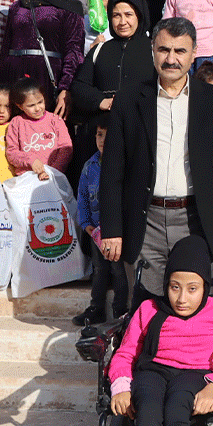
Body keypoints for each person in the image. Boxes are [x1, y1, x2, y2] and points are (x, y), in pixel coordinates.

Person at [99, 17, 213, 297]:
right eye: (164, 50)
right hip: (144, 221)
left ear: (194, 53)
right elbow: (113, 170)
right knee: (144, 310)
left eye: (180, 51)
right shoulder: (128, 100)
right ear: (153, 50)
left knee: (193, 315)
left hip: (196, 221)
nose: (171, 59)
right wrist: (112, 229)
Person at [107, 236, 213, 426]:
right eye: (174, 287)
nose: (182, 299)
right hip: (153, 371)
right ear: (166, 284)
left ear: (205, 287)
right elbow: (126, 352)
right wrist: (121, 387)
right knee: (147, 415)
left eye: (192, 289)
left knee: (176, 411)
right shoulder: (149, 309)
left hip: (196, 373)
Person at [70, 0, 155, 187]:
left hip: (140, 135)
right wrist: (103, 101)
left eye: (128, 14)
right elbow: (80, 87)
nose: (122, 21)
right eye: (116, 15)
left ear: (140, 15)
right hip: (100, 138)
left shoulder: (154, 49)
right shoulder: (100, 50)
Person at [0, 0, 85, 119]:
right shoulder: (18, 6)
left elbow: (74, 50)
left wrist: (66, 87)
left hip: (48, 78)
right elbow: (6, 47)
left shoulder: (69, 6)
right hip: (14, 77)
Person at [73, 116, 129, 325]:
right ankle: (96, 308)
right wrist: (88, 227)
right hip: (95, 232)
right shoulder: (90, 166)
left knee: (119, 271)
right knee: (99, 270)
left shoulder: (124, 164)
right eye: (99, 134)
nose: (103, 139)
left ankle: (120, 312)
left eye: (108, 135)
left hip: (117, 234)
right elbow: (83, 199)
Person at [5, 75, 72, 178]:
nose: (37, 108)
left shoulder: (55, 120)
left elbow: (66, 149)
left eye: (40, 102)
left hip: (54, 176)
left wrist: (52, 171)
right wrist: (30, 160)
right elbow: (11, 153)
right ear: (19, 106)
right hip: (26, 179)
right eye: (31, 105)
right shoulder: (16, 123)